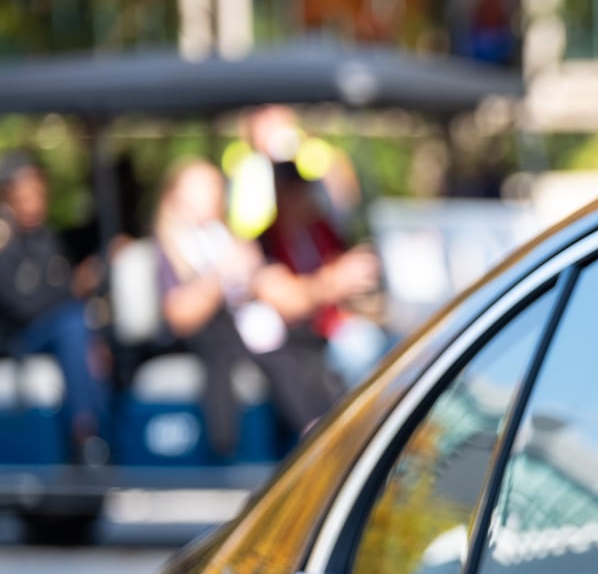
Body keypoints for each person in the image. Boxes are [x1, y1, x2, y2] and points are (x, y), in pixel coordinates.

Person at [153, 157, 340, 458]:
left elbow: (265, 287)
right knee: (274, 354)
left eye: (214, 185)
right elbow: (179, 316)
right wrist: (221, 276)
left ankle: (321, 429)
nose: (213, 193)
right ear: (176, 196)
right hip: (207, 338)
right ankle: (309, 432)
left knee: (303, 348)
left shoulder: (227, 238)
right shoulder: (170, 247)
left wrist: (255, 273)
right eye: (202, 186)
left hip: (242, 325)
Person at [0, 153, 111, 464]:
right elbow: (22, 306)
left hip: (54, 332)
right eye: (26, 195)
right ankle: (87, 434)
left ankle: (100, 434)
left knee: (85, 329)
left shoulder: (45, 236)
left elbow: (53, 287)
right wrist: (74, 287)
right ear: (9, 195)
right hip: (17, 341)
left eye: (38, 193)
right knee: (74, 323)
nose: (34, 203)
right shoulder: (5, 240)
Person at [258, 159, 386, 389]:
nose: (298, 199)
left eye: (301, 191)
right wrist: (333, 281)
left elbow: (342, 268)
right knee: (361, 349)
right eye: (291, 192)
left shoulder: (320, 229)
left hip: (337, 322)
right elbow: (286, 299)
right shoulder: (266, 242)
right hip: (301, 339)